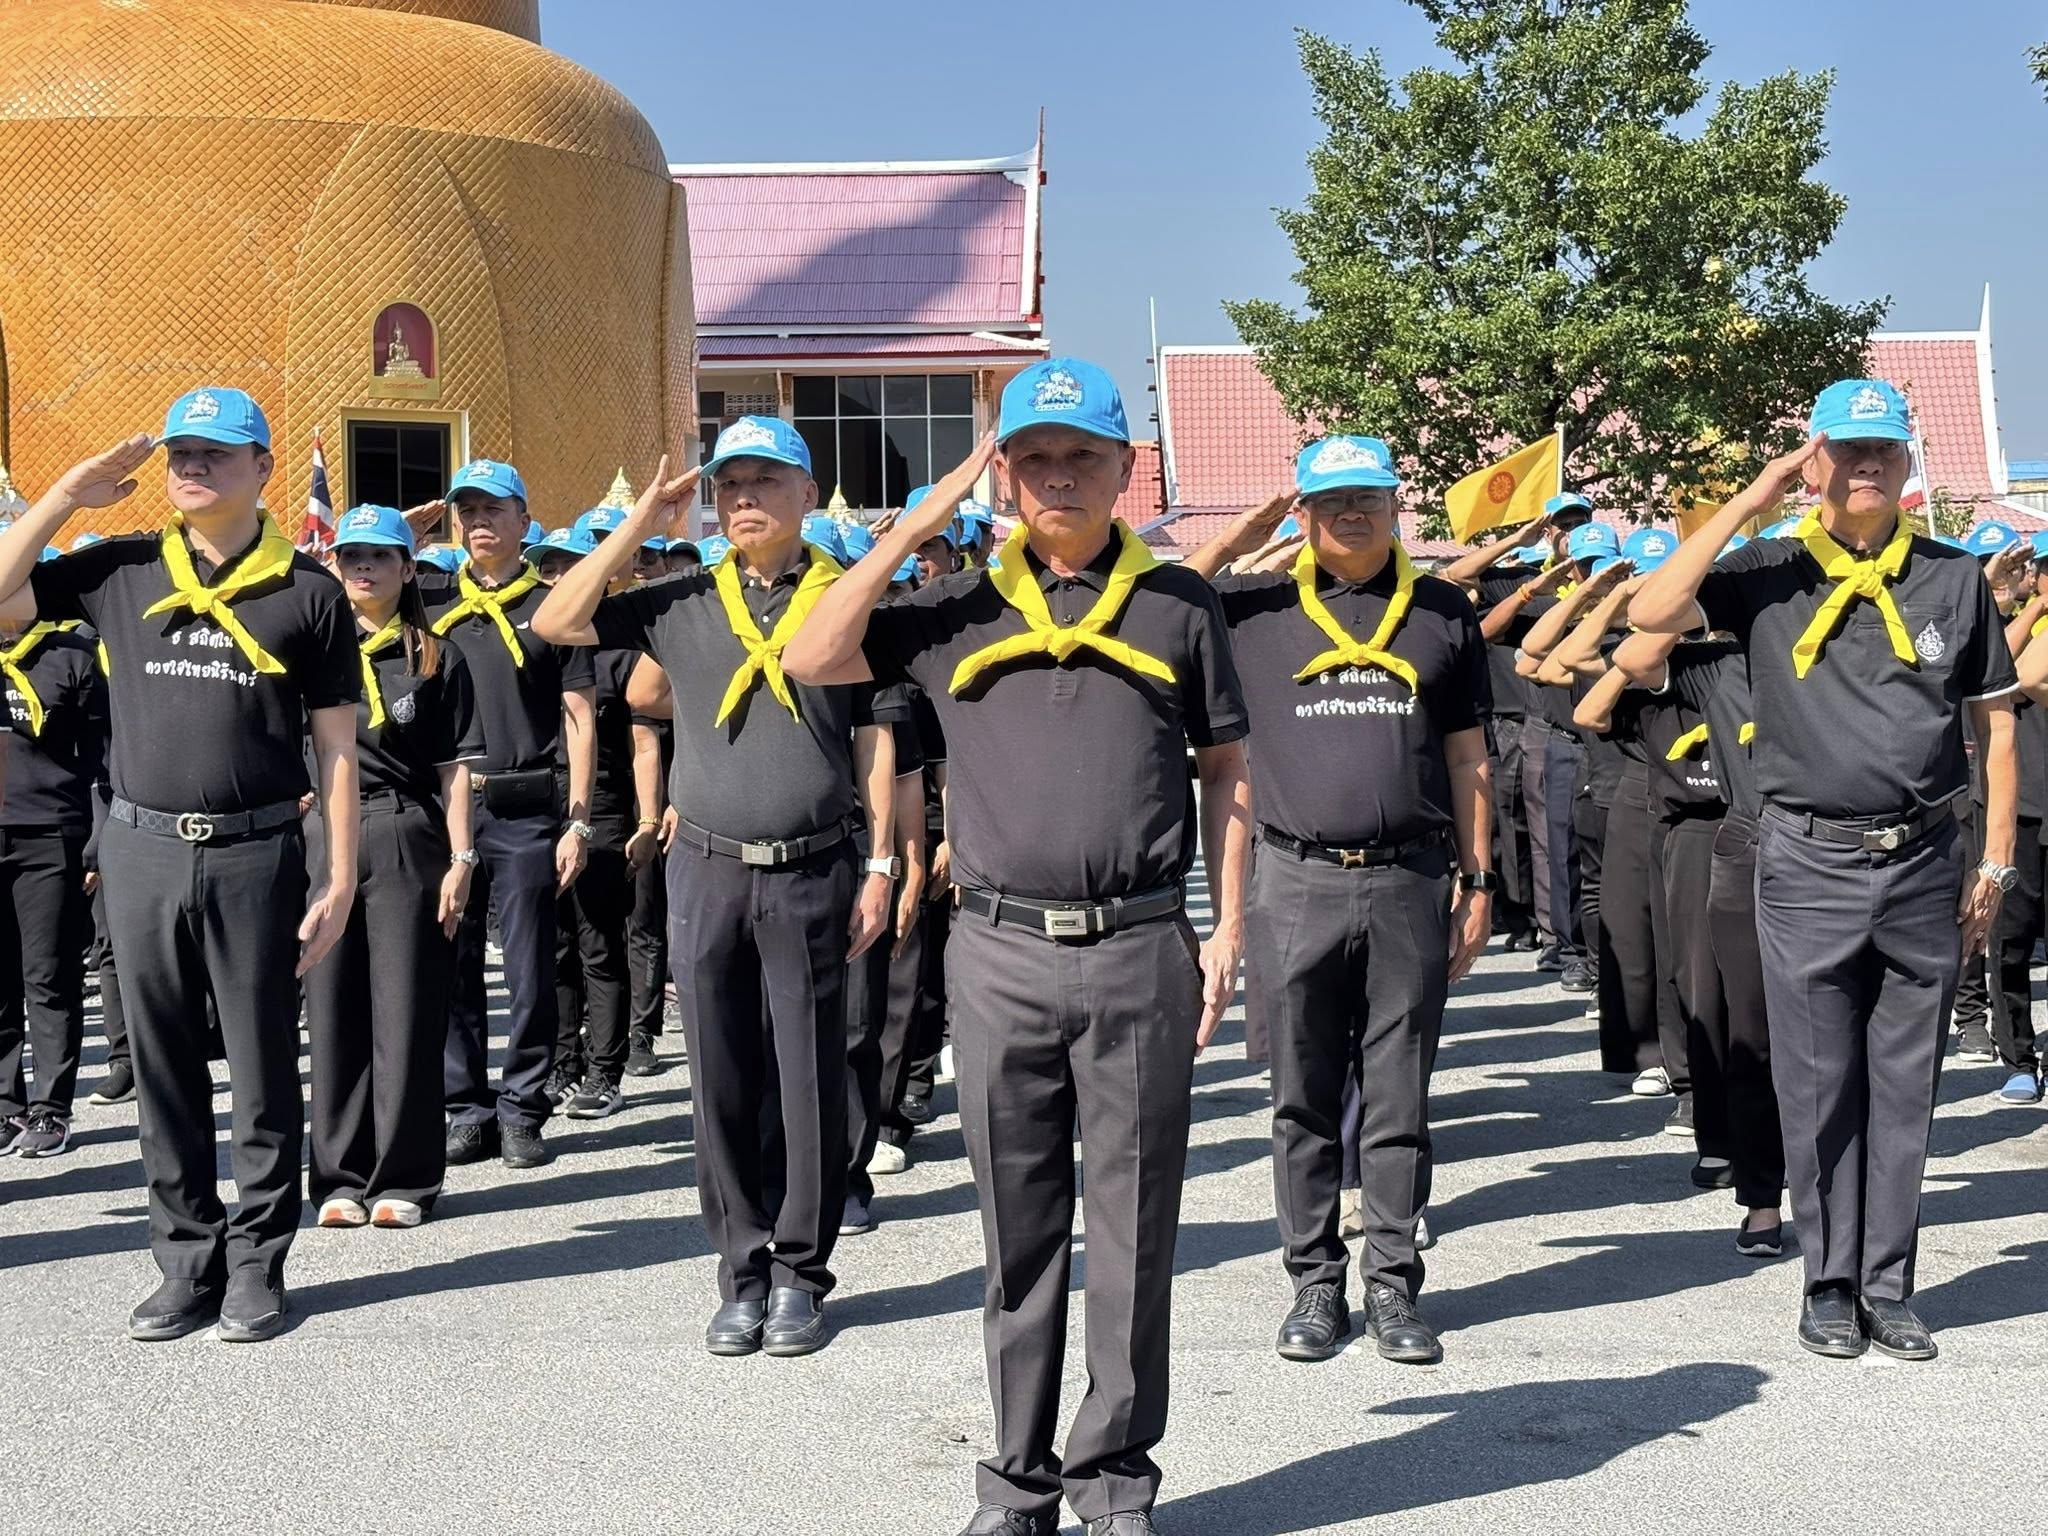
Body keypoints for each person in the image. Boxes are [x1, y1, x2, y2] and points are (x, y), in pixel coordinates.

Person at [782, 357, 1253, 1536]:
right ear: (1002, 473)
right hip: (997, 953)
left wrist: (1228, 924)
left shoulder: (1177, 603)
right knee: (1018, 1230)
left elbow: (1224, 772)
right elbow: (809, 655)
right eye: (1032, 457)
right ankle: (1018, 1481)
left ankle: (1115, 1481)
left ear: (1123, 468)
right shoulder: (953, 606)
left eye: (1080, 455)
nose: (1056, 477)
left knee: (1133, 1233)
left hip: (1139, 943)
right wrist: (914, 524)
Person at [1631, 378, 2019, 1362]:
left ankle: (1887, 1285)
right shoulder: (1766, 569)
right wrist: (1750, 498)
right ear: (1815, 461)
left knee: (1905, 1084)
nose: (1865, 465)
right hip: (1806, 858)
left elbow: (1994, 723)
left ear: (1907, 461)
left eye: (1882, 449)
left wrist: (1995, 860)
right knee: (1815, 1082)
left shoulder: (1951, 577)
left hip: (1923, 857)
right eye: (1846, 449)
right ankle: (1828, 1282)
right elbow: (1648, 607)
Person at [0, 389, 361, 1343]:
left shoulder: (309, 591)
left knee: (261, 1065)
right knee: (160, 1067)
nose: (193, 467)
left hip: (255, 850)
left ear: (263, 469)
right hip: (142, 846)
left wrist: (339, 876)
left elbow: (336, 746)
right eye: (181, 453)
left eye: (217, 452)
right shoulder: (120, 569)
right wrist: (65, 496)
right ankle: (186, 1259)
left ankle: (257, 1261)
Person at [534, 416, 897, 1360]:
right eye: (729, 484)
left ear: (807, 494)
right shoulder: (682, 598)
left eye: (765, 481)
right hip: (706, 867)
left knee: (808, 1079)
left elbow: (873, 737)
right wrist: (640, 522)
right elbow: (557, 620)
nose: (744, 499)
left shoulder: (846, 600)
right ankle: (741, 1272)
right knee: (722, 1080)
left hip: (814, 865)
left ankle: (800, 1274)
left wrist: (883, 863)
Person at [1182, 433, 1493, 1367]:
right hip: (1294, 879)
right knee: (1301, 1097)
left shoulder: (1442, 609)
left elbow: (1468, 758)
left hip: (1409, 878)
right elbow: (1161, 598)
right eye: (1330, 500)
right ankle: (1314, 1282)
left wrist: (1479, 880)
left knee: (1400, 1097)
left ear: (1397, 505)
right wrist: (1239, 536)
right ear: (1304, 511)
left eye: (1367, 496)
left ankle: (1393, 1285)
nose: (1351, 513)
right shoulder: (1254, 604)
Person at [305, 505, 484, 1228]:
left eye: (381, 555)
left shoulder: (437, 656)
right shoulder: (312, 650)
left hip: (406, 829)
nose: (364, 567)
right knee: (333, 1005)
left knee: (406, 1007)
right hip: (325, 831)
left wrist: (462, 856)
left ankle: (406, 1176)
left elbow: (454, 767)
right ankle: (340, 1176)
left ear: (409, 568)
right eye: (351, 555)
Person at [426, 459, 596, 1172]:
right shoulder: (433, 601)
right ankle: (467, 1109)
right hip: (448, 808)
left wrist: (578, 821)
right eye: (467, 511)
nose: (479, 522)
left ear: (524, 520)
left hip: (526, 808)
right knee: (451, 963)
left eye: (494, 509)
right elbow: (346, 589)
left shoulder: (551, 607)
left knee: (529, 969)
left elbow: (580, 715)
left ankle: (523, 1108)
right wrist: (410, 532)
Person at [0, 588, 108, 1158]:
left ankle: (51, 1107)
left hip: (49, 833)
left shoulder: (70, 656)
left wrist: (97, 841)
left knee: (47, 975)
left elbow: (103, 756)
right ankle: (5, 1106)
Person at [1478, 494, 1596, 971]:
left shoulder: (1610, 575)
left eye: (1580, 521)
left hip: (1601, 726)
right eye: (1562, 524)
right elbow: (1472, 604)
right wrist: (1528, 573)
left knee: (1591, 837)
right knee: (1541, 836)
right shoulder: (1527, 580)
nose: (1570, 530)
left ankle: (1587, 940)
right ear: (1547, 531)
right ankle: (1552, 934)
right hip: (1540, 721)